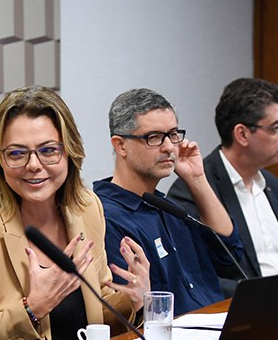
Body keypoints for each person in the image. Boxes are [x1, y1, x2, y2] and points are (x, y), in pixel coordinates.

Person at [0, 85, 150, 340]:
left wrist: (133, 299)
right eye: (17, 153)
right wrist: (33, 309)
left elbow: (95, 314)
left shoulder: (86, 208)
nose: (33, 166)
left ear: (69, 152)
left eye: (48, 151)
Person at [93, 88, 245, 316]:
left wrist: (197, 179)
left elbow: (230, 256)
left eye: (173, 134)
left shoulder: (170, 209)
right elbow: (131, 309)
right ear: (120, 145)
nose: (168, 147)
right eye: (153, 137)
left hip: (215, 329)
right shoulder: (106, 216)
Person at [168, 78, 278, 296]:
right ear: (242, 134)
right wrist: (260, 294)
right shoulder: (194, 188)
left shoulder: (271, 184)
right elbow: (193, 276)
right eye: (276, 127)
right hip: (237, 313)